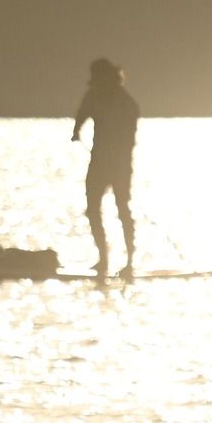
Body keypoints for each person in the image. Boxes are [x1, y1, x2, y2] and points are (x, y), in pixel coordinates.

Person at [69, 57, 140, 277]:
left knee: (122, 209)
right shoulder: (94, 96)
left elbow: (129, 137)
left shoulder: (126, 103)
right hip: (99, 163)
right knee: (92, 209)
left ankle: (129, 261)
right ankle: (103, 259)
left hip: (119, 165)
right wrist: (76, 131)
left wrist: (115, 156)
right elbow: (82, 114)